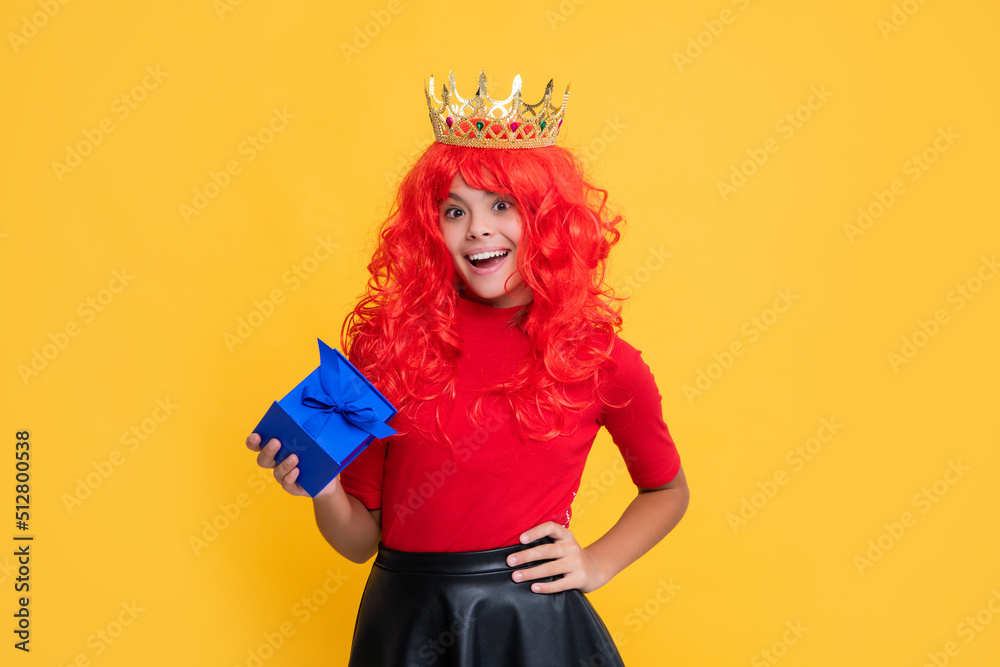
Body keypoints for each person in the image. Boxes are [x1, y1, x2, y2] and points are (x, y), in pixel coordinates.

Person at [246, 71, 690, 666]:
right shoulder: (386, 347)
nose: (478, 227)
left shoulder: (598, 358)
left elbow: (666, 490)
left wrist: (596, 562)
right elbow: (358, 543)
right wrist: (323, 488)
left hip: (530, 628)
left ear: (549, 220)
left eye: (502, 206)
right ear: (431, 230)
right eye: (455, 210)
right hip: (404, 621)